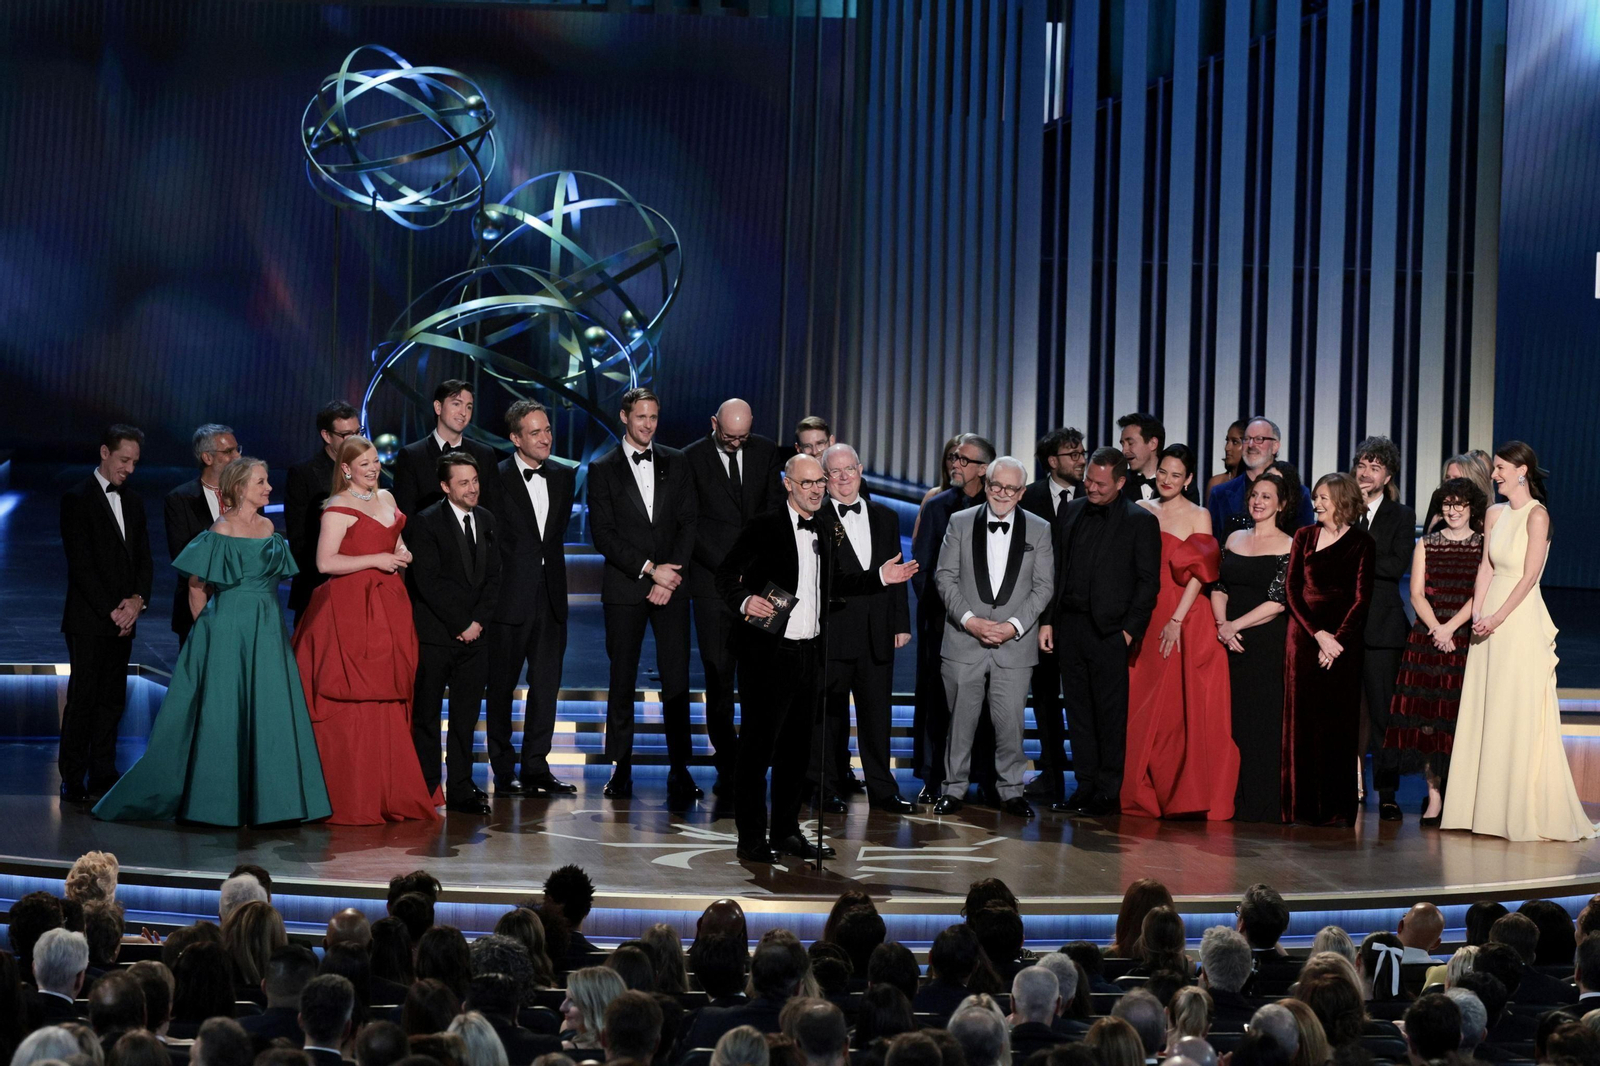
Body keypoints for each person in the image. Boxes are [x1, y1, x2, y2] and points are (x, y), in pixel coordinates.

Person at [95, 458, 331, 825]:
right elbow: (196, 588)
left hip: (267, 632)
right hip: (228, 632)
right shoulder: (221, 530)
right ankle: (217, 803)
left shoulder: (269, 527)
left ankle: (275, 802)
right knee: (226, 713)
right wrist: (210, 631)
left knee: (268, 710)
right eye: (261, 482)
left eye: (268, 481)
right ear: (239, 488)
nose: (269, 488)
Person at [715, 454, 917, 864]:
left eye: (819, 483)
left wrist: (880, 577)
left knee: (797, 753)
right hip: (768, 654)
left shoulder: (825, 527)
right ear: (788, 484)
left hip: (810, 653)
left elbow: (835, 583)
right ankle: (751, 838)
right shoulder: (765, 525)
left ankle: (787, 831)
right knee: (756, 752)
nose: (815, 490)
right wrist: (743, 601)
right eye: (806, 483)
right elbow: (725, 575)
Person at [1442, 442, 1598, 841]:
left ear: (1522, 471)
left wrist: (1497, 616)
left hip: (1517, 618)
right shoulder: (1494, 514)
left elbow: (1529, 577)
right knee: (1485, 707)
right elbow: (1486, 568)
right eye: (1494, 468)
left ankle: (1513, 811)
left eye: (1499, 468)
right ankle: (1478, 810)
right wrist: (1478, 613)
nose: (1493, 474)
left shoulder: (1537, 515)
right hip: (1487, 621)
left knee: (1513, 710)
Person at [293, 435, 439, 824]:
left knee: (391, 690)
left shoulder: (388, 498)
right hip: (350, 607)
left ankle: (389, 789)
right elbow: (325, 562)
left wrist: (403, 553)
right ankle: (352, 793)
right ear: (345, 470)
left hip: (389, 603)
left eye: (375, 461)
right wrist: (377, 558)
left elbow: (398, 542)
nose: (373, 469)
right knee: (353, 690)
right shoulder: (336, 507)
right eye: (364, 465)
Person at [586, 387, 700, 802]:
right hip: (626, 587)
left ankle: (681, 767)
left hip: (672, 586)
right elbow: (604, 535)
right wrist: (651, 571)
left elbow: (689, 522)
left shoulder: (678, 461)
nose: (648, 425)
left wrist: (670, 576)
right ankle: (621, 766)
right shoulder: (602, 469)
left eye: (653, 417)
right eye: (640, 417)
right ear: (624, 417)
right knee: (622, 679)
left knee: (676, 679)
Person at [930, 456, 1053, 820]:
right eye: (996, 486)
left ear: (1022, 493)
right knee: (960, 720)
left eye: (1011, 488)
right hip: (964, 638)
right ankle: (953, 789)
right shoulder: (960, 522)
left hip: (1014, 644)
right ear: (987, 486)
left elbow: (1044, 587)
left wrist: (1014, 625)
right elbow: (945, 577)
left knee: (1010, 722)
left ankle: (1012, 791)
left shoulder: (1040, 529)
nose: (1002, 493)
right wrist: (970, 621)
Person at [1040, 447, 1161, 816]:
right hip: (1070, 626)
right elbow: (1056, 571)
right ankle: (1084, 786)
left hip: (1110, 632)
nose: (1090, 487)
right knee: (1077, 712)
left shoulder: (1140, 521)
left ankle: (1108, 792)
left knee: (1109, 715)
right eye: (1088, 479)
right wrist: (1048, 620)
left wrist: (1129, 632)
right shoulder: (1073, 510)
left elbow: (1147, 583)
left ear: (1121, 482)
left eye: (1099, 483)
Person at [1121, 444, 1236, 820]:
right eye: (1163, 473)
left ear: (1188, 480)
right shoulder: (1139, 511)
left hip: (1183, 617)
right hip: (1144, 612)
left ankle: (1179, 794)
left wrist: (1176, 620)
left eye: (1176, 475)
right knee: (1139, 700)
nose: (1167, 480)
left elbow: (1202, 573)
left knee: (1174, 709)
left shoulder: (1199, 514)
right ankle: (1140, 788)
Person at [684, 399, 787, 793]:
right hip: (713, 584)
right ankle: (728, 764)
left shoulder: (764, 450)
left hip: (763, 585)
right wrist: (731, 568)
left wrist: (754, 566)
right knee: (719, 676)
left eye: (742, 436)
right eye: (729, 436)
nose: (736, 443)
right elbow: (689, 522)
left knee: (762, 677)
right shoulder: (691, 458)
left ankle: (758, 762)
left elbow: (775, 511)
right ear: (714, 424)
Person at [815, 444, 914, 813]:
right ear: (825, 479)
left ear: (859, 470)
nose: (844, 478)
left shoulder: (886, 517)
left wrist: (900, 623)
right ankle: (825, 788)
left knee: (877, 717)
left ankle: (883, 791)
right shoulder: (818, 518)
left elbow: (898, 574)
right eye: (835, 472)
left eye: (849, 470)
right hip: (834, 634)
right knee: (829, 718)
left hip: (877, 633)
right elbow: (825, 580)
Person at [485, 399, 576, 798]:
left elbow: (552, 540)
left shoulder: (563, 476)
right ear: (515, 438)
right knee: (502, 687)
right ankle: (504, 771)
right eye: (535, 432)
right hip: (509, 599)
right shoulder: (496, 477)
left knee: (546, 686)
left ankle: (537, 767)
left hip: (551, 597)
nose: (545, 438)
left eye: (547, 430)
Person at [1383, 477, 1485, 826]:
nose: (1453, 510)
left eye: (1459, 504)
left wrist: (1451, 628)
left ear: (1472, 507)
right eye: (1447, 504)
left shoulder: (1483, 545)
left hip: (1462, 640)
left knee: (1459, 721)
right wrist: (1437, 630)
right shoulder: (1426, 543)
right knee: (1428, 724)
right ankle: (1435, 797)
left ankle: (1461, 796)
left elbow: (1479, 595)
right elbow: (1415, 594)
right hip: (1427, 642)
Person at [59, 425, 152, 803]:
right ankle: (73, 776)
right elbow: (80, 565)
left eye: (134, 462)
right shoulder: (77, 498)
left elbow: (144, 559)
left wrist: (137, 602)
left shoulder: (134, 501)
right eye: (123, 460)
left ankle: (103, 771)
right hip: (89, 619)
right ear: (104, 453)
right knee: (84, 698)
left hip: (124, 620)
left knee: (112, 699)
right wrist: (113, 611)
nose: (128, 469)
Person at [409, 453, 502, 815]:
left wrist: (477, 621)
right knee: (428, 715)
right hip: (437, 636)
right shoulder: (427, 522)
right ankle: (427, 787)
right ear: (445, 486)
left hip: (477, 638)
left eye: (475, 480)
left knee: (465, 717)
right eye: (463, 482)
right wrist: (460, 623)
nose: (472, 487)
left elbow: (494, 577)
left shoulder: (488, 519)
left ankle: (461, 786)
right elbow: (428, 582)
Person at [1281, 473, 1374, 826]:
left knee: (1337, 727)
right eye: (1316, 497)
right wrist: (1319, 635)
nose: (1316, 503)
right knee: (1301, 725)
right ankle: (1300, 807)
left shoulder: (1363, 543)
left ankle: (1335, 809)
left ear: (1342, 501)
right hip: (1303, 639)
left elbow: (1362, 599)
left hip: (1343, 644)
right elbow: (1292, 591)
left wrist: (1337, 641)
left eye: (1323, 498)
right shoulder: (1304, 537)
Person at [909, 433, 996, 803]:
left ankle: (988, 778)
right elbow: (922, 568)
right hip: (943, 623)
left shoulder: (1001, 508)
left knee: (990, 705)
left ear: (984, 469)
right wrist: (952, 614)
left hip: (991, 628)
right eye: (954, 458)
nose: (954, 464)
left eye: (963, 460)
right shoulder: (938, 506)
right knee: (937, 702)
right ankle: (935, 776)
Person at [1211, 468, 1297, 822]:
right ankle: (1227, 799)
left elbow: (1278, 602)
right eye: (1255, 496)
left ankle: (1260, 803)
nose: (1258, 502)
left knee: (1262, 725)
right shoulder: (1232, 539)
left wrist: (1235, 626)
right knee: (1230, 722)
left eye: (1266, 497)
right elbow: (1219, 586)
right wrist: (1222, 626)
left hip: (1264, 645)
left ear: (1281, 505)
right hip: (1226, 642)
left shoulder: (1291, 545)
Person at [1350, 437, 1418, 820]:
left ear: (1388, 475)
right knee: (1342, 712)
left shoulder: (1400, 515)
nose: (1365, 472)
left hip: (1383, 626)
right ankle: (1344, 785)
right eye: (1362, 464)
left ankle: (1387, 792)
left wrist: (1355, 551)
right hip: (1342, 627)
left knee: (1383, 714)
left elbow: (1394, 566)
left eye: (1374, 467)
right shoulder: (1340, 508)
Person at [1018, 427, 1085, 802]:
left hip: (1078, 615)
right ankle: (1051, 773)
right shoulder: (1031, 498)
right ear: (1052, 461)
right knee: (1043, 699)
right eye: (1072, 454)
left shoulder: (1094, 495)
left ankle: (1084, 777)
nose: (1080, 460)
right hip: (1036, 615)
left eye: (1082, 453)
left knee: (1077, 698)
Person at [286, 401, 363, 623]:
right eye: (346, 434)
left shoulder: (368, 469)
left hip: (361, 584)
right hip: (319, 585)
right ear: (327, 436)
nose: (355, 440)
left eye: (358, 432)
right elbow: (299, 538)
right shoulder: (304, 473)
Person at [165, 424, 240, 646]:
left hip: (242, 606)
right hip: (198, 604)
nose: (237, 456)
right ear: (207, 457)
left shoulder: (247, 497)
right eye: (229, 452)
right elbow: (183, 555)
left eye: (237, 449)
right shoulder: (180, 499)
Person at [390, 379, 502, 521]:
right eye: (456, 404)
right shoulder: (412, 456)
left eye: (469, 407)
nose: (463, 413)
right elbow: (405, 517)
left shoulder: (485, 455)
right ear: (438, 407)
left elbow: (495, 513)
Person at [1206, 417, 1314, 537]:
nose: (1251, 445)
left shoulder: (1299, 493)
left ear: (1274, 446)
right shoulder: (1219, 494)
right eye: (1246, 439)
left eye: (1259, 439)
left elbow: (1305, 544)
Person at [1422, 453, 1493, 534]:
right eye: (1448, 477)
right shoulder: (1438, 498)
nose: (1450, 483)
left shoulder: (1490, 513)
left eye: (1456, 478)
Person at [1117, 414, 1165, 502]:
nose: (1124, 451)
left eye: (1130, 443)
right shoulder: (1119, 484)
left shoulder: (1180, 485)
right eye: (1123, 445)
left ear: (1152, 444)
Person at [1207, 421, 1247, 496]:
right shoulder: (1216, 483)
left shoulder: (1261, 482)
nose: (1227, 448)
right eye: (1227, 441)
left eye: (1235, 442)